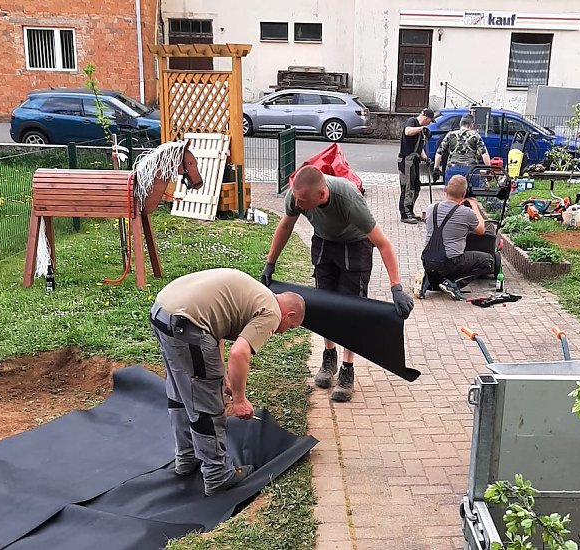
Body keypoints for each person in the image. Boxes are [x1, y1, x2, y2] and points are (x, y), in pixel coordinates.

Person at [261, 165, 414, 402]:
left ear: (321, 195)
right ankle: (329, 357)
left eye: (302, 200)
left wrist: (396, 288)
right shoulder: (297, 195)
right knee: (326, 303)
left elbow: (383, 243)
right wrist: (270, 263)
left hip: (356, 245)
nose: (298, 204)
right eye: (297, 198)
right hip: (324, 242)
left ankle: (347, 369)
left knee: (350, 309)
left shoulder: (349, 199)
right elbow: (286, 225)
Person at [150, 268, 305, 496]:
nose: (282, 333)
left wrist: (224, 376)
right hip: (187, 324)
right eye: (288, 329)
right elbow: (239, 353)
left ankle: (186, 458)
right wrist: (239, 400)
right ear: (289, 315)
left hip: (162, 312)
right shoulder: (271, 312)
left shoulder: (255, 294)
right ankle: (217, 475)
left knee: (180, 391)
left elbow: (217, 332)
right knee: (208, 404)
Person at [421, 175, 493, 300]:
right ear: (464, 193)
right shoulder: (466, 212)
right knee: (488, 261)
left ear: (445, 190)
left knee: (441, 264)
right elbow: (481, 230)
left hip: (427, 259)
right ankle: (454, 283)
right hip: (449, 262)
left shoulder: (431, 208)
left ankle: (428, 280)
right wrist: (474, 206)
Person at [398, 108, 435, 224]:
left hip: (415, 160)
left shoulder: (420, 131)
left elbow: (419, 148)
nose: (429, 123)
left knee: (416, 187)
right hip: (406, 160)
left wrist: (426, 158)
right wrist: (421, 129)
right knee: (408, 187)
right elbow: (407, 132)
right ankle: (404, 214)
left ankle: (410, 210)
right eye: (429, 121)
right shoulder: (412, 121)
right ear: (425, 117)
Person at [433, 114, 491, 187]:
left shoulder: (450, 135)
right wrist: (489, 170)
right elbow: (484, 154)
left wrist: (436, 168)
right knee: (470, 195)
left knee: (452, 195)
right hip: (470, 170)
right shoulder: (475, 136)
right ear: (471, 124)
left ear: (460, 123)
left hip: (452, 168)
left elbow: (439, 152)